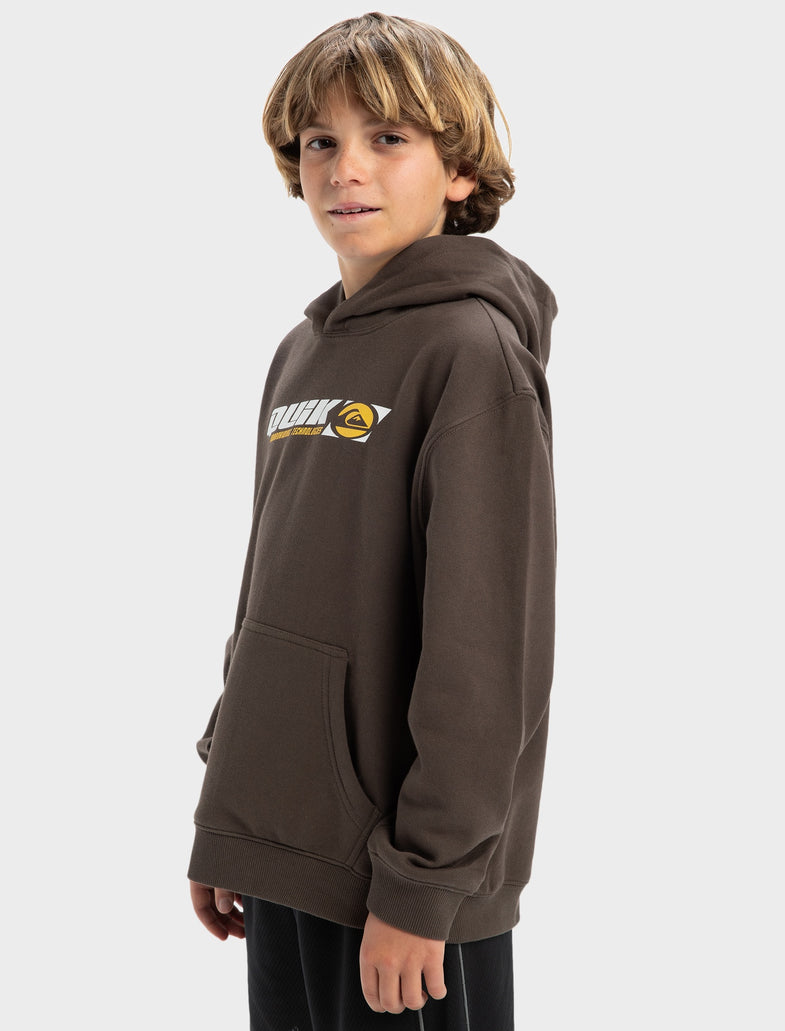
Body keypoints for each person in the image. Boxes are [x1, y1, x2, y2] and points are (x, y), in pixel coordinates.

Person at [188, 12, 557, 1029]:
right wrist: (232, 812)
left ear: (459, 170)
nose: (344, 168)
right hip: (288, 850)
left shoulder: (471, 354)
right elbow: (268, 590)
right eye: (320, 141)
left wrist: (425, 883)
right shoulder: (302, 351)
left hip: (401, 887)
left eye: (387, 137)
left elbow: (486, 652)